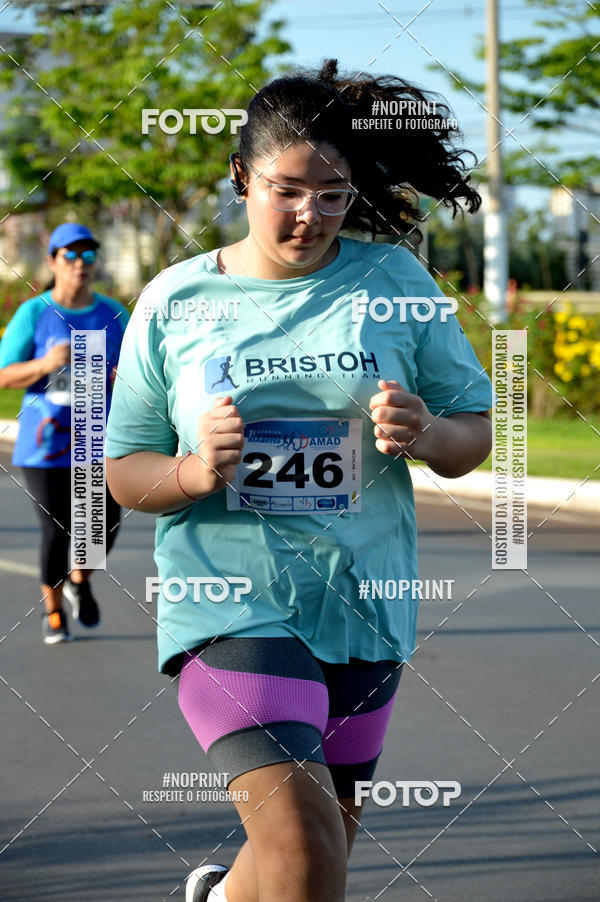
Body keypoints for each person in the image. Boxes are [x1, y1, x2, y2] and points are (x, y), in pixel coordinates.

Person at [105, 59, 493, 902]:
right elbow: (125, 472)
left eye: (333, 193)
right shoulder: (176, 301)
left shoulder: (391, 281)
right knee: (305, 851)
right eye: (287, 189)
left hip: (363, 605)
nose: (308, 214)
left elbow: (475, 435)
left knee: (311, 858)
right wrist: (193, 469)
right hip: (231, 603)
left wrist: (427, 432)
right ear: (241, 175)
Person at [0, 223, 129, 643]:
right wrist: (43, 364)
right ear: (53, 261)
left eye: (88, 256)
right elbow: (4, 375)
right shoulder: (34, 313)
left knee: (101, 528)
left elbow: (137, 374)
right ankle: (53, 612)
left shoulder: (113, 313)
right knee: (57, 531)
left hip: (98, 441)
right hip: (46, 445)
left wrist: (118, 377)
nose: (80, 264)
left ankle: (79, 578)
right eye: (70, 256)